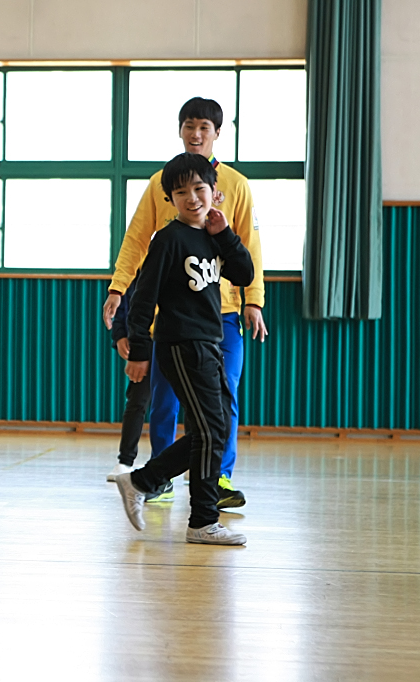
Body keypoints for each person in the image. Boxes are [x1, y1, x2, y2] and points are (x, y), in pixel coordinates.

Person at [103, 97, 267, 508]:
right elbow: (137, 240)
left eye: (205, 128)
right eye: (190, 126)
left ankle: (218, 478)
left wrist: (254, 301)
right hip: (172, 319)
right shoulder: (163, 184)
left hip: (223, 314)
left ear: (216, 134)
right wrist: (117, 287)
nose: (197, 134)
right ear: (180, 131)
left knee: (224, 397)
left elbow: (250, 249)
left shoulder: (236, 186)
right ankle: (159, 475)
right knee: (165, 399)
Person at [114, 153, 253, 545]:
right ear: (170, 199)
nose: (191, 198)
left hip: (211, 343)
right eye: (181, 192)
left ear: (215, 193)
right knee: (211, 429)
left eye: (199, 189)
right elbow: (143, 299)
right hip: (180, 344)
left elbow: (243, 274)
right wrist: (140, 351)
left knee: (216, 428)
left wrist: (225, 234)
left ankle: (142, 481)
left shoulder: (211, 235)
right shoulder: (169, 239)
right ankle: (202, 520)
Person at [106, 280, 172, 503]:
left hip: (175, 335)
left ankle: (187, 465)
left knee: (187, 402)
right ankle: (125, 460)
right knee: (137, 399)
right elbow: (127, 302)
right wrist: (120, 334)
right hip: (144, 341)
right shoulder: (132, 266)